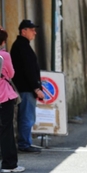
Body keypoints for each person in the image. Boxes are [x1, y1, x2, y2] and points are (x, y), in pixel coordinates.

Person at [10, 20, 44, 153]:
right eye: (31, 29)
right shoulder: (22, 46)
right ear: (23, 31)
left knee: (26, 116)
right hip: (25, 89)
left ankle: (25, 141)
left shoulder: (22, 45)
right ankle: (24, 143)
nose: (34, 32)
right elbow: (28, 69)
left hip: (24, 88)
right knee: (27, 117)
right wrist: (36, 88)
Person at [0, 28, 25, 173]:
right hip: (4, 97)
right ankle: (9, 164)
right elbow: (11, 73)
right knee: (6, 131)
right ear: (3, 41)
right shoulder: (4, 56)